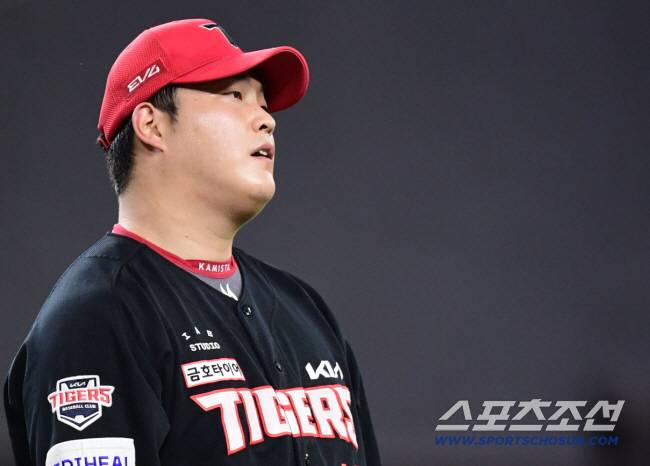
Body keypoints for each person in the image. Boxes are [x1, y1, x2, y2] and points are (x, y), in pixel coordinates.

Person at [4, 18, 381, 466]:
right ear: (152, 125)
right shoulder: (97, 316)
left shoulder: (306, 310)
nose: (266, 120)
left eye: (264, 104)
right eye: (235, 95)